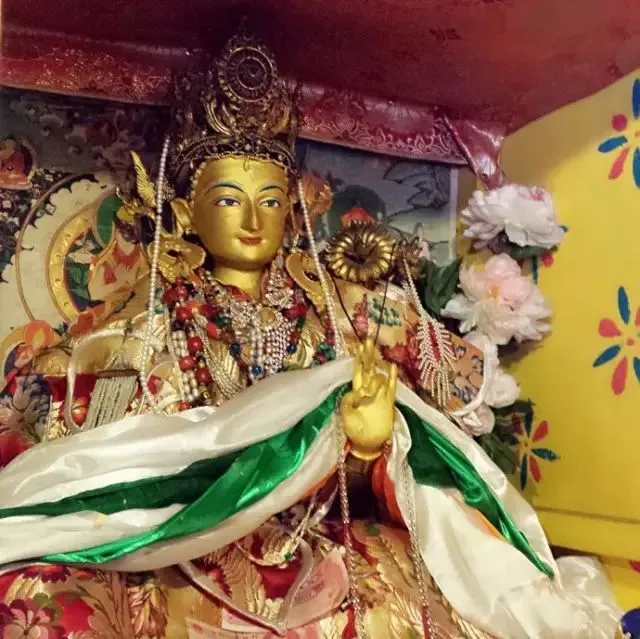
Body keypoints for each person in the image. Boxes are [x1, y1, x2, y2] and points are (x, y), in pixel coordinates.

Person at [0, 30, 620, 639]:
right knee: (49, 597)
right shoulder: (141, 326)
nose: (252, 219)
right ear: (185, 212)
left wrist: (370, 448)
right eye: (228, 200)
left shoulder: (341, 314)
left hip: (320, 543)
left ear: (293, 212)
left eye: (271, 200)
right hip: (183, 548)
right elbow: (100, 470)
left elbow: (417, 440)